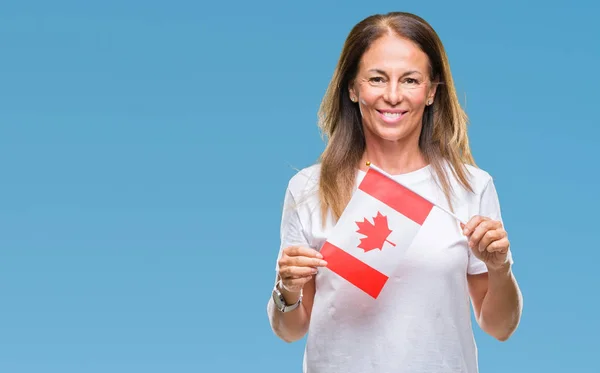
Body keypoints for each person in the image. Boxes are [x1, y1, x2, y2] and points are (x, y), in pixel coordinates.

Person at [266, 11, 523, 373]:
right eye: (376, 78)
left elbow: (499, 326)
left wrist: (500, 267)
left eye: (410, 80)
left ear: (432, 91)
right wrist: (286, 289)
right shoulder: (310, 188)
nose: (392, 96)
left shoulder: (472, 187)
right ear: (352, 88)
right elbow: (290, 330)